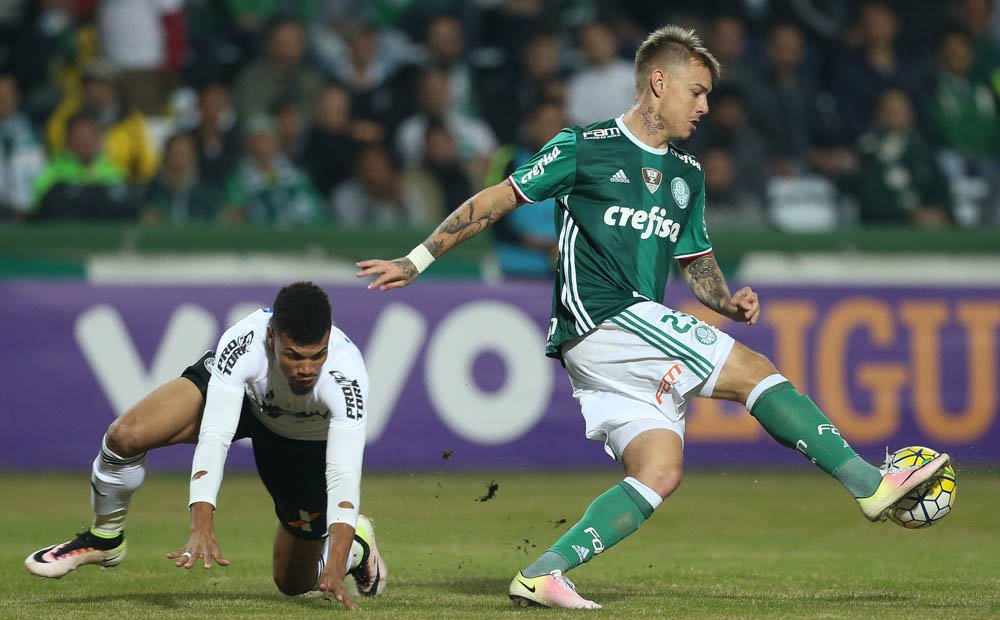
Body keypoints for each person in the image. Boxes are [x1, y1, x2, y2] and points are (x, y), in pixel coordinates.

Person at [356, 25, 952, 610]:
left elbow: (695, 260)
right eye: (697, 91)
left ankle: (542, 574)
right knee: (756, 372)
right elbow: (493, 201)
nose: (706, 106)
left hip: (617, 342)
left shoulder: (686, 177)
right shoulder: (583, 147)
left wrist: (725, 300)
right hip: (606, 317)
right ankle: (870, 485)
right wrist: (416, 259)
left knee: (660, 469)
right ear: (658, 82)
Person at [25, 283, 386, 610]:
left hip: (304, 437)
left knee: (293, 584)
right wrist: (201, 523)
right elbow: (216, 435)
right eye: (294, 355)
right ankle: (104, 537)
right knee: (125, 434)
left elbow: (343, 474)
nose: (307, 369)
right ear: (272, 337)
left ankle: (357, 545)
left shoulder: (347, 376)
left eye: (316, 355)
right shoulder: (244, 342)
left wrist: (336, 566)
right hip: (247, 400)